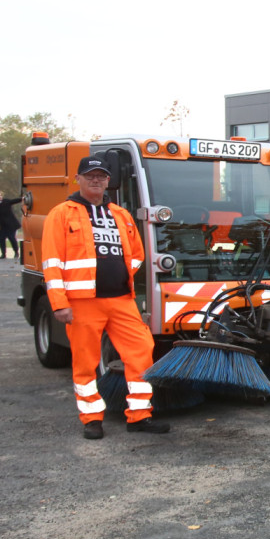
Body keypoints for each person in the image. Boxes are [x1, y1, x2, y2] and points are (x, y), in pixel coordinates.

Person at [42, 156, 166, 439]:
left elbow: (137, 255)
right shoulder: (61, 214)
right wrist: (59, 303)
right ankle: (91, 419)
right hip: (82, 303)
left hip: (122, 300)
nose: (96, 180)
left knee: (142, 352)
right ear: (78, 179)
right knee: (85, 362)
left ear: (109, 180)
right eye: (90, 175)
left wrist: (122, 276)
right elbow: (51, 261)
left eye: (101, 176)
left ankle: (139, 415)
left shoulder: (121, 214)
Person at [0, 190, 24, 260]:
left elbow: (13, 201)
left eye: (0, 195)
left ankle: (16, 252)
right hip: (1, 225)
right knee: (1, 239)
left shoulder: (6, 202)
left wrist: (22, 198)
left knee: (12, 238)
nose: (0, 197)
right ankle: (3, 254)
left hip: (10, 224)